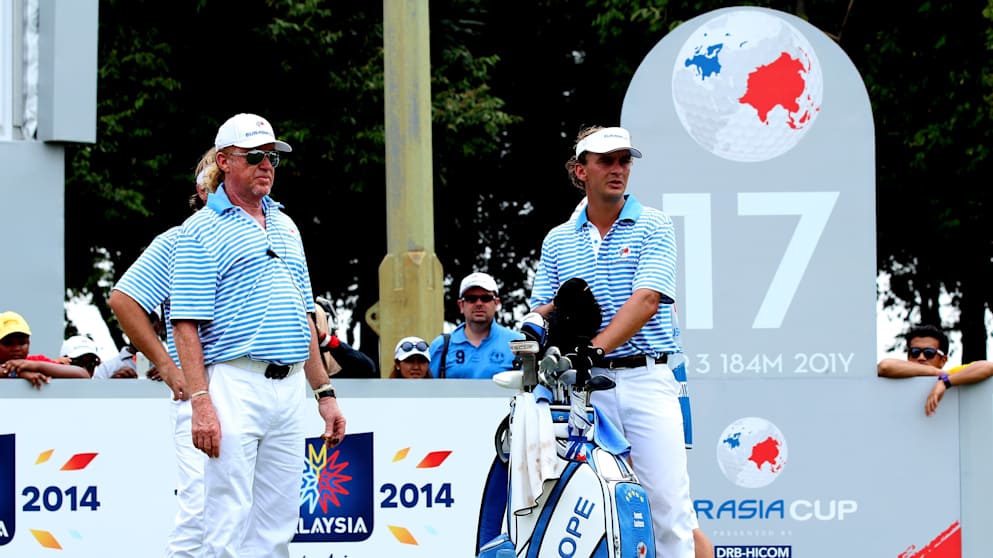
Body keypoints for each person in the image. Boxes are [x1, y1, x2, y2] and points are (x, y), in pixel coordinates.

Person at [169, 113, 346, 558]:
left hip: (288, 389)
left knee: (279, 519)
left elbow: (305, 314)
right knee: (225, 516)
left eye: (273, 157)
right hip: (232, 381)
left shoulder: (287, 226)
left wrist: (324, 391)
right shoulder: (199, 231)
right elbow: (185, 324)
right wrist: (201, 401)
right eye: (254, 157)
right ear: (225, 162)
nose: (266, 165)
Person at [528, 125, 697, 557]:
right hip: (583, 390)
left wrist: (593, 349)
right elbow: (545, 304)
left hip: (646, 380)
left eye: (624, 160)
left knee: (667, 508)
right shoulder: (558, 239)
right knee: (586, 504)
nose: (618, 169)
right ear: (580, 170)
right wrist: (531, 325)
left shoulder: (653, 224)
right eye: (606, 160)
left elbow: (646, 300)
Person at [109, 146, 221, 557]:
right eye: (217, 175)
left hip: (249, 392)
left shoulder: (266, 231)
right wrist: (170, 368)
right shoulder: (179, 239)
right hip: (199, 393)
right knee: (200, 514)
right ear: (203, 188)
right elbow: (124, 299)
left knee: (242, 515)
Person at [877, 323, 993, 416]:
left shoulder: (951, 376)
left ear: (943, 360)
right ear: (908, 356)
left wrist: (945, 382)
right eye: (915, 352)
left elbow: (988, 367)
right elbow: (884, 366)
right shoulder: (944, 374)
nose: (921, 358)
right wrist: (938, 373)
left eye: (929, 353)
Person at [428, 272, 523, 379]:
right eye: (471, 298)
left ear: (496, 303)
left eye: (486, 298)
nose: (479, 303)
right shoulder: (441, 346)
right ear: (461, 305)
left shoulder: (519, 344)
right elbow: (429, 391)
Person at [0, 311, 89, 387]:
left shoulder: (35, 362)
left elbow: (83, 375)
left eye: (22, 343)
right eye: (8, 343)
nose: (16, 348)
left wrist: (36, 366)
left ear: (29, 344)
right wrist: (20, 374)